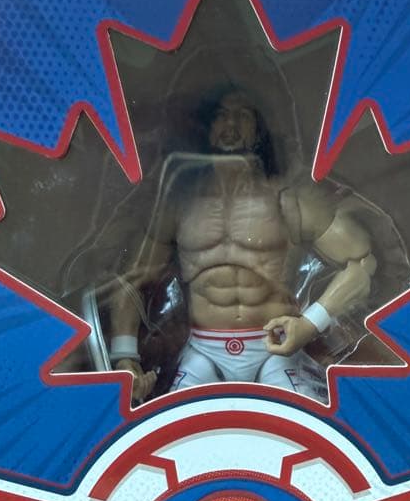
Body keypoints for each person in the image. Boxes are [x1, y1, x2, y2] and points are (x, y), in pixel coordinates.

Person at [109, 88, 376, 402]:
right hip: (203, 351)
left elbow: (362, 263)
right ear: (208, 128)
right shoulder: (177, 203)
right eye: (221, 115)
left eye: (243, 115)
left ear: (259, 129)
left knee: (309, 426)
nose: (231, 124)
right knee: (172, 427)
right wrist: (125, 357)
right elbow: (130, 281)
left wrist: (309, 325)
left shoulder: (290, 198)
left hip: (276, 347)